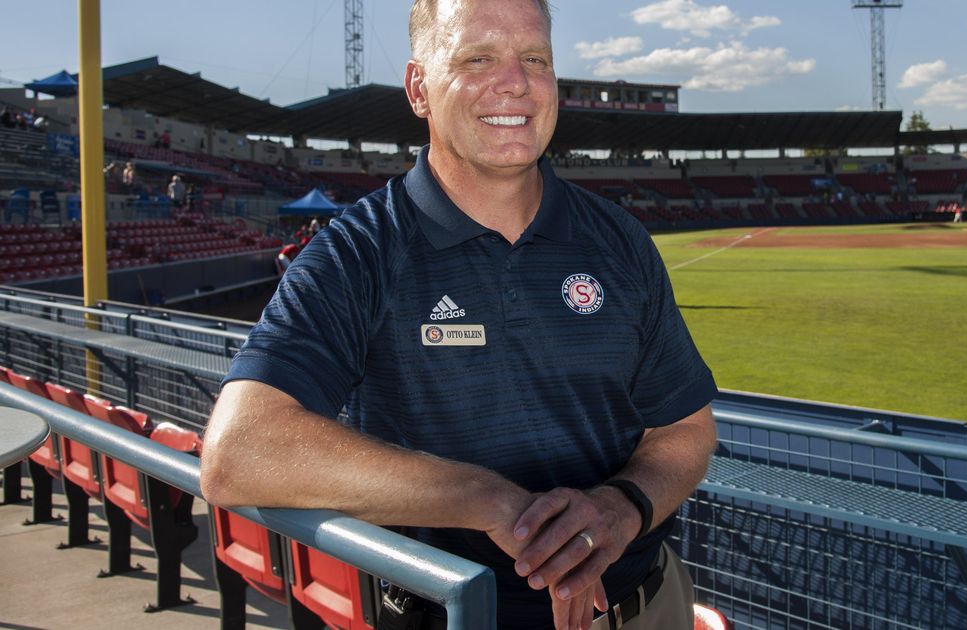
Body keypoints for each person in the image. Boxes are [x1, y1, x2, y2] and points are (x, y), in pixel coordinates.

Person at [198, 1, 716, 629]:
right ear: (419, 87)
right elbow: (237, 453)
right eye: (477, 58)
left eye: (535, 59)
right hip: (447, 617)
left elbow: (685, 432)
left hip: (643, 609)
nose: (516, 82)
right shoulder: (358, 253)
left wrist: (621, 506)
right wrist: (488, 500)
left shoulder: (619, 240)